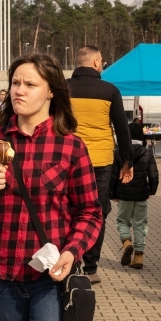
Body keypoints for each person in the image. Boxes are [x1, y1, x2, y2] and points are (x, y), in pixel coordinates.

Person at [0, 53, 102, 321]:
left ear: (51, 90)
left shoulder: (70, 146)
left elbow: (90, 212)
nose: (19, 90)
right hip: (2, 275)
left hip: (50, 278)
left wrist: (72, 252)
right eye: (15, 83)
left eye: (30, 84)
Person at [67, 45, 133, 284]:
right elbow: (122, 129)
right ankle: (91, 267)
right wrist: (128, 161)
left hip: (68, 159)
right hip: (100, 160)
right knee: (96, 211)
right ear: (96, 62)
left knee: (68, 209)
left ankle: (70, 261)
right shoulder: (110, 90)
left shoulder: (63, 88)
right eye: (102, 60)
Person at [110, 123, 158, 269]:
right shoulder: (147, 152)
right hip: (141, 195)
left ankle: (127, 243)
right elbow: (153, 174)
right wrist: (152, 190)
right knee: (140, 224)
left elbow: (113, 176)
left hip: (124, 194)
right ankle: (138, 258)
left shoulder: (119, 152)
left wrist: (112, 193)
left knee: (122, 221)